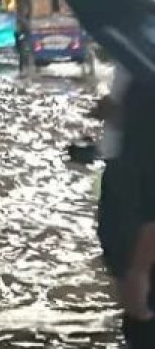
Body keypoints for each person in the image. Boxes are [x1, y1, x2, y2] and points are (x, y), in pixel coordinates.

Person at [97, 61, 155, 347]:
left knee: (140, 314)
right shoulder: (134, 60)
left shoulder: (146, 69)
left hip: (135, 190)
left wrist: (138, 270)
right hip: (125, 176)